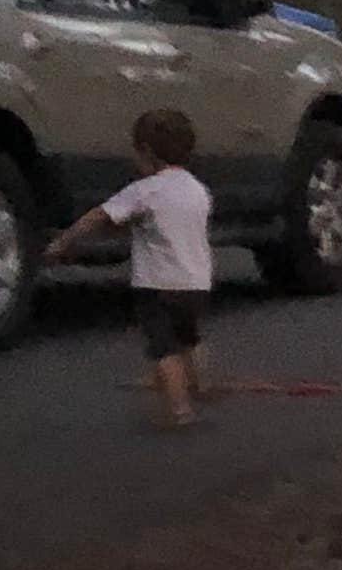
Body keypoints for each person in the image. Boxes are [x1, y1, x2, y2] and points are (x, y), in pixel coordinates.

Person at [48, 107, 217, 427]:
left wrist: (64, 241)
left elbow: (100, 216)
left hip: (157, 285)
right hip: (197, 282)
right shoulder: (198, 190)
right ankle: (201, 384)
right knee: (190, 337)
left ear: (147, 153)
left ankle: (180, 408)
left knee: (162, 346)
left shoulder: (144, 190)